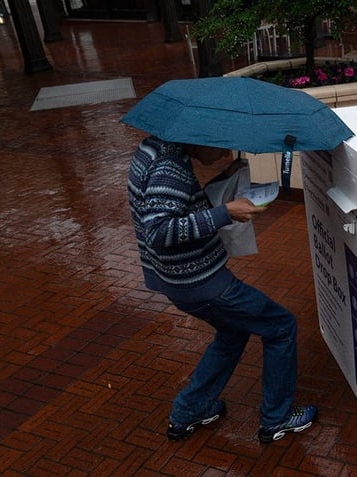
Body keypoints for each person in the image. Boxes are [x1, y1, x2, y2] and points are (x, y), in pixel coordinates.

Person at [127, 136, 317, 443]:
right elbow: (160, 231)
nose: (223, 152)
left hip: (176, 278)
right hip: (201, 283)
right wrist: (225, 212)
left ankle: (190, 411)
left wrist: (223, 180)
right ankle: (276, 418)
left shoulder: (154, 149)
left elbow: (174, 206)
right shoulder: (169, 168)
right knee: (281, 326)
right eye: (219, 144)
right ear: (198, 135)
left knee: (233, 332)